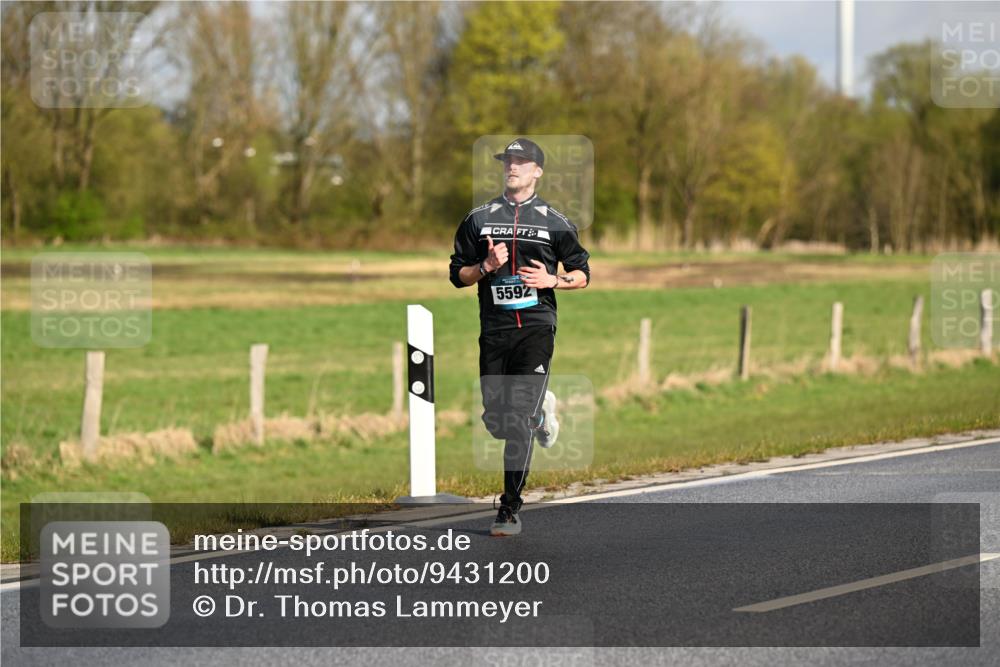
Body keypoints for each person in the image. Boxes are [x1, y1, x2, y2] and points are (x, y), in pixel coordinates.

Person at [449, 138, 591, 536]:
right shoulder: (478, 219)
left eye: (521, 161)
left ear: (537, 171)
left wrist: (553, 280)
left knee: (518, 419)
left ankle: (509, 508)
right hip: (494, 330)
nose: (512, 166)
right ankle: (543, 411)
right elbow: (458, 274)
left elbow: (582, 274)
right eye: (508, 161)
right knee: (497, 421)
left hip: (536, 328)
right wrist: (485, 265)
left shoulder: (555, 220)